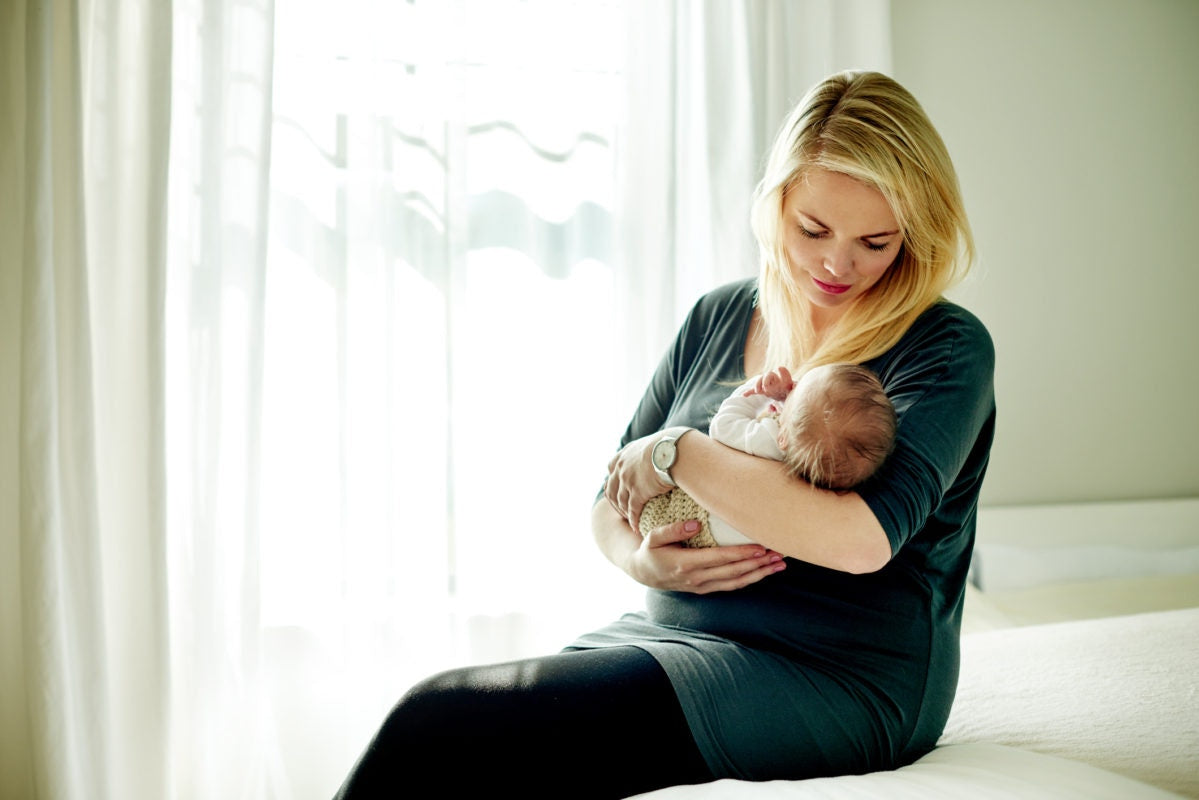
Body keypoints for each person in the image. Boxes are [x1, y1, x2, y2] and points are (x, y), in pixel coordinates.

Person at [332, 70, 995, 799]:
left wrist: (676, 451)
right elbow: (606, 500)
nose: (837, 264)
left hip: (831, 673)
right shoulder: (717, 316)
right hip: (668, 636)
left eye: (874, 241)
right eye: (812, 230)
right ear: (775, 206)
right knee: (457, 741)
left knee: (439, 720)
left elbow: (859, 540)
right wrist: (643, 564)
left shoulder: (944, 347)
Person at [643, 362, 897, 548]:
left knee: (656, 509)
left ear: (783, 436)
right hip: (737, 539)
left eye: (795, 391)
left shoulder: (766, 439)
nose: (791, 387)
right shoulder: (817, 477)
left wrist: (758, 391)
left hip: (696, 516)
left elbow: (722, 425)